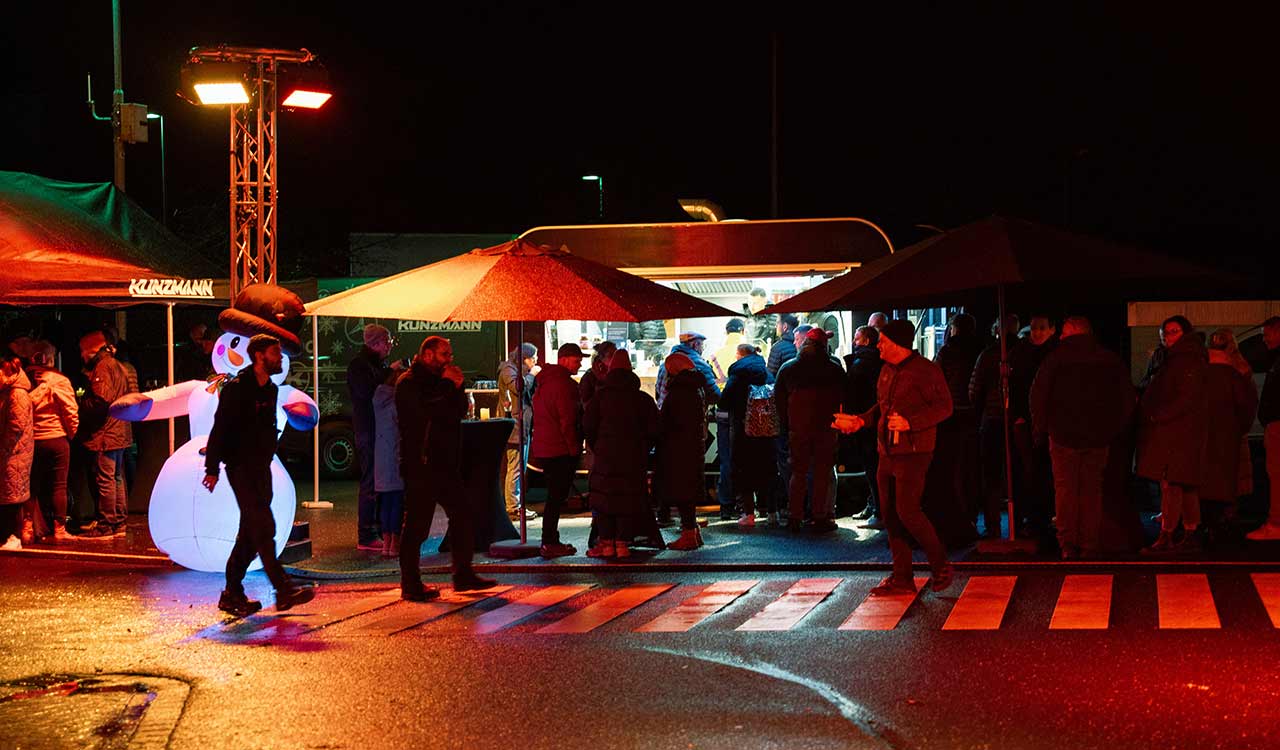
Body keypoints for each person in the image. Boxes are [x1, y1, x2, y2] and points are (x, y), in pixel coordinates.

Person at [834, 318, 954, 596]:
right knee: (889, 513)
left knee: (908, 511)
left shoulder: (926, 371)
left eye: (883, 342)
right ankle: (902, 577)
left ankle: (941, 565)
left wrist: (911, 422)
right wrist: (859, 422)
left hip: (913, 452)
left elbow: (944, 407)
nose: (879, 346)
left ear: (898, 344)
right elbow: (882, 407)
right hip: (886, 451)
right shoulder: (887, 369)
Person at [203, 335, 315, 617]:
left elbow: (268, 429)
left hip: (261, 467)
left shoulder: (270, 390)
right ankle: (283, 589)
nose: (280, 358)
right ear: (259, 355)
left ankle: (232, 593)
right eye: (275, 353)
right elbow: (220, 429)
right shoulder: (237, 389)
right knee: (264, 527)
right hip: (240, 467)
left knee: (251, 534)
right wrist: (212, 469)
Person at [395, 336, 496, 599]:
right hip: (422, 464)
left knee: (462, 515)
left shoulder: (443, 381)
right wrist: (448, 384)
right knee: (418, 525)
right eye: (444, 354)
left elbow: (457, 410)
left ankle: (463, 574)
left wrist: (457, 387)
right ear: (428, 355)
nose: (449, 359)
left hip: (446, 463)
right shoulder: (409, 382)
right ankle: (411, 583)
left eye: (449, 354)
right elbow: (425, 413)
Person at [1030, 317, 1135, 559]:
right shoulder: (1109, 359)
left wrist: (1042, 427)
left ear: (1072, 333)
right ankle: (1090, 543)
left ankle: (1068, 543)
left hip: (1063, 435)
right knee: (1092, 491)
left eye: (1064, 333)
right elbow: (1126, 398)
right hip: (1099, 436)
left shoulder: (1055, 359)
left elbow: (1038, 395)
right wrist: (1114, 428)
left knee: (1065, 491)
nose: (1061, 337)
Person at [1137, 315, 1210, 553]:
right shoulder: (1182, 358)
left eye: (1174, 331)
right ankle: (1190, 532)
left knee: (1171, 482)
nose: (1168, 336)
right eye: (1165, 332)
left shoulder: (1184, 359)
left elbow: (1185, 396)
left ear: (1185, 333)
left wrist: (1159, 415)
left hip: (1176, 430)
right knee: (1184, 483)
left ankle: (1167, 534)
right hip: (1183, 430)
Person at [583, 350, 660, 559]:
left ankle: (606, 543)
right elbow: (654, 429)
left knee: (604, 499)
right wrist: (643, 448)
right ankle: (623, 543)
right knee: (628, 498)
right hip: (633, 458)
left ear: (610, 370)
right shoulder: (642, 399)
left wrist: (598, 446)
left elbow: (588, 426)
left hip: (605, 457)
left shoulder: (599, 398)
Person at [774, 328, 845, 532]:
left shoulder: (789, 368)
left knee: (798, 472)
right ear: (824, 346)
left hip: (798, 429)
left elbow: (779, 401)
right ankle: (819, 517)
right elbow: (844, 397)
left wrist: (787, 426)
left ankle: (795, 517)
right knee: (822, 473)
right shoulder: (834, 368)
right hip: (826, 428)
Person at [1198, 328, 1258, 542]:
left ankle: (1216, 519)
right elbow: (1248, 403)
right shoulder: (1240, 368)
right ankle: (1228, 516)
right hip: (1233, 430)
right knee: (1233, 475)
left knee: (1216, 475)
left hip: (1215, 430)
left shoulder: (1208, 370)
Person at [74, 330, 132, 539]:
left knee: (106, 478)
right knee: (117, 478)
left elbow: (101, 400)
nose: (81, 355)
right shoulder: (118, 366)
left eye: (82, 351)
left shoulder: (103, 367)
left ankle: (106, 525)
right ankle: (119, 523)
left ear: (91, 350)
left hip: (105, 434)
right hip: (119, 431)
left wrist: (80, 404)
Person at [348, 323, 400, 551]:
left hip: (376, 429)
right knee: (371, 480)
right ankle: (366, 534)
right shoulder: (360, 366)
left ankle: (378, 529)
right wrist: (390, 373)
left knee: (380, 481)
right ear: (375, 343)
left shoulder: (373, 364)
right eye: (387, 341)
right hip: (369, 430)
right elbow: (369, 392)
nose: (390, 345)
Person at [531, 343, 585, 558]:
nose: (580, 363)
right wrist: (574, 450)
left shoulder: (544, 382)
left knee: (554, 496)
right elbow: (568, 420)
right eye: (576, 358)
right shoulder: (564, 385)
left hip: (545, 447)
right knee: (556, 497)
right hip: (559, 449)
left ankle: (550, 540)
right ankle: (550, 541)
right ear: (563, 359)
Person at [968, 314, 1017, 538]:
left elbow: (975, 389)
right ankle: (1021, 522)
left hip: (992, 418)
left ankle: (993, 525)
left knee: (992, 474)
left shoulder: (987, 355)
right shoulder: (1023, 352)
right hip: (1016, 418)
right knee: (1018, 472)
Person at [1008, 315, 1058, 535]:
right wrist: (1018, 414)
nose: (1037, 333)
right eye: (1034, 329)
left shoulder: (1054, 355)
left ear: (1051, 330)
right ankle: (1032, 515)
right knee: (1029, 468)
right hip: (1026, 419)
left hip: (1047, 419)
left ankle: (1044, 513)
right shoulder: (1020, 353)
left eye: (1041, 328)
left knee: (1046, 468)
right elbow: (1016, 386)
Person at [655, 351, 708, 549]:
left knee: (682, 490)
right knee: (689, 489)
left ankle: (688, 534)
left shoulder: (679, 391)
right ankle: (692, 532)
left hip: (677, 447)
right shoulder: (695, 387)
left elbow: (667, 422)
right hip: (693, 445)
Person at [27, 341, 78, 542]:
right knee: (59, 486)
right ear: (49, 358)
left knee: (31, 486)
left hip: (31, 440)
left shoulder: (23, 380)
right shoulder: (59, 380)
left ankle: (27, 528)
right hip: (56, 438)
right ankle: (59, 530)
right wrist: (70, 434)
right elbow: (70, 411)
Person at [721, 343, 777, 526]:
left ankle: (748, 514)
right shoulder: (767, 373)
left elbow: (724, 401)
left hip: (743, 431)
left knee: (743, 470)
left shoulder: (738, 374)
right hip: (766, 431)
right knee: (767, 470)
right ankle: (771, 512)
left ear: (739, 355)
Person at [844, 325, 884, 528]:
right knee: (877, 467)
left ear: (866, 341)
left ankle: (879, 511)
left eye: (857, 338)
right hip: (877, 421)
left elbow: (853, 394)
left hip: (865, 422)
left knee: (872, 466)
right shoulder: (882, 362)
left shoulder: (860, 364)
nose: (854, 342)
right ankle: (877, 507)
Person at [498, 343, 538, 521]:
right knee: (515, 467)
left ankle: (517, 505)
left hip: (523, 426)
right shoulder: (508, 370)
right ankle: (513, 507)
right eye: (533, 357)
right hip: (515, 426)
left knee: (519, 467)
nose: (536, 361)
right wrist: (531, 375)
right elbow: (518, 388)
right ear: (524, 358)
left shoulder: (517, 371)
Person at [1248, 316, 1280, 541]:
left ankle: (1276, 523)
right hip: (1274, 422)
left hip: (1277, 423)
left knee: (1277, 474)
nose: (1263, 338)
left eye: (1266, 333)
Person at [0, 352, 34, 551]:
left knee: (12, 495)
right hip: (9, 452)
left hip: (14, 454)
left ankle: (13, 536)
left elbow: (16, 426)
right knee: (7, 494)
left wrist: (3, 448)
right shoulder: (8, 390)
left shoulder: (17, 393)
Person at [372, 369, 405, 559]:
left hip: (381, 457)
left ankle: (386, 543)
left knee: (385, 501)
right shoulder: (396, 402)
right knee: (397, 501)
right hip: (395, 454)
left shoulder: (378, 399)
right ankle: (395, 543)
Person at [655, 331, 720, 409]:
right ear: (695, 345)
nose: (702, 349)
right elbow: (714, 395)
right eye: (702, 345)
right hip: (689, 415)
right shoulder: (700, 364)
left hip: (665, 413)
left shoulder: (665, 363)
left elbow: (658, 392)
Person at [578, 341, 615, 406]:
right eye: (611, 355)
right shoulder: (589, 377)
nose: (614, 358)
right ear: (601, 358)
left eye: (616, 354)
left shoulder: (616, 374)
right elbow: (585, 404)